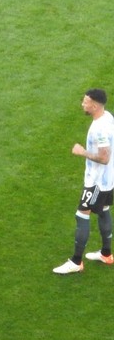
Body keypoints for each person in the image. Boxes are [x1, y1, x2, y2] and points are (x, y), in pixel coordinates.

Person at [53, 89, 114, 275]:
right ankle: (106, 254)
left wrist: (82, 152)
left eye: (85, 102)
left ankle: (76, 261)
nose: (82, 104)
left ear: (94, 105)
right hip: (109, 179)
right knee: (103, 211)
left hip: (96, 181)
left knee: (82, 215)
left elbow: (104, 157)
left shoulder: (100, 128)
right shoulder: (107, 116)